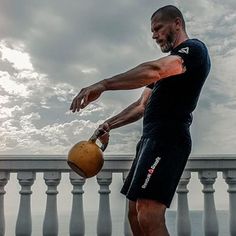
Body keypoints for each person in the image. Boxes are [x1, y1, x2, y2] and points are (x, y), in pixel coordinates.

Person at [70, 5, 211, 236]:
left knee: (148, 212)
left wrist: (104, 84)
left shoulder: (193, 50)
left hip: (169, 139)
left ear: (177, 23)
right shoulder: (168, 71)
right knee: (134, 212)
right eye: (152, 31)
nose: (154, 35)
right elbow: (140, 106)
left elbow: (155, 69)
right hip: (150, 140)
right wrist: (108, 125)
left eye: (158, 28)